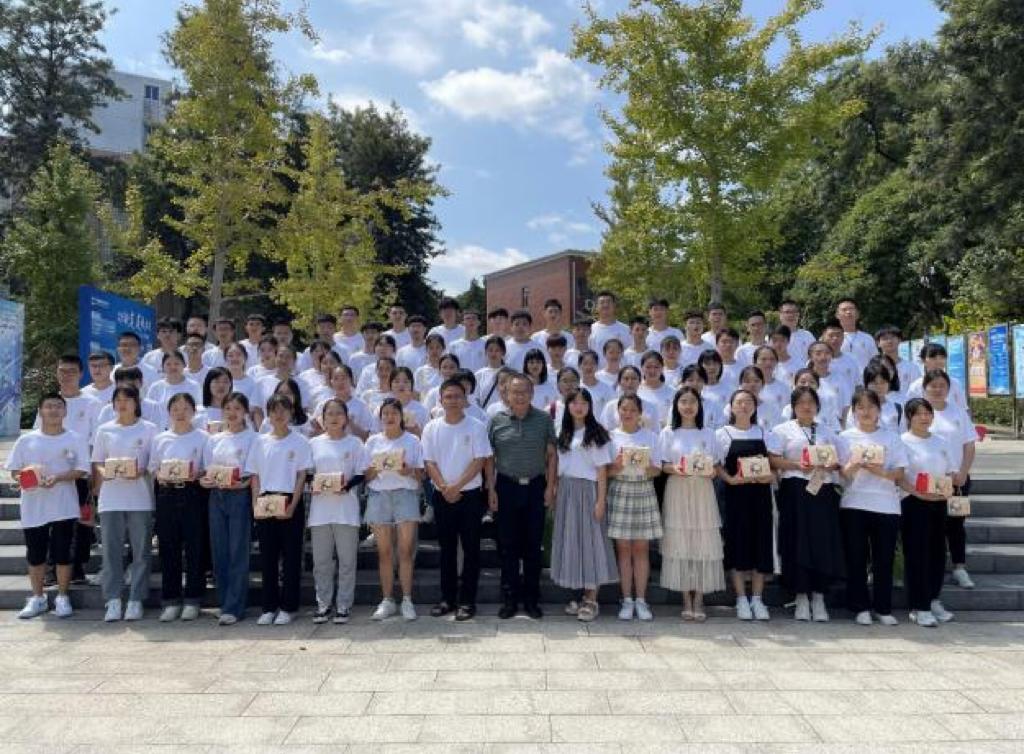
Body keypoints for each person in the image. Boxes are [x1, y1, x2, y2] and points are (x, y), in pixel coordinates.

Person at [7, 394, 90, 619]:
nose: (53, 410)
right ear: (40, 411)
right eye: (48, 406)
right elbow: (14, 471)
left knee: (63, 553)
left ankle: (62, 596)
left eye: (58, 406)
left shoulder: (75, 438)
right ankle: (38, 597)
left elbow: (82, 469)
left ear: (65, 412)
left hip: (64, 505)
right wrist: (29, 476)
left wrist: (59, 477)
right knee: (35, 554)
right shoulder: (26, 440)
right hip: (34, 506)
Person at [771, 386, 845, 622]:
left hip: (822, 490)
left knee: (821, 542)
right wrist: (796, 465)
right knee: (796, 541)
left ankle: (819, 596)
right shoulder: (782, 430)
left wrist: (830, 464)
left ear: (817, 406)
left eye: (811, 402)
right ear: (793, 406)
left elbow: (839, 461)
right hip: (794, 490)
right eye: (801, 402)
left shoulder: (828, 431)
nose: (806, 406)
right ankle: (801, 596)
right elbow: (773, 459)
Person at [422, 379, 492, 621]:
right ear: (440, 400)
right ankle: (447, 599)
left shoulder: (476, 426)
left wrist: (457, 486)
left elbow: (480, 460)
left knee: (471, 549)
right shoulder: (431, 428)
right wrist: (444, 487)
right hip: (442, 495)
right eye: (448, 396)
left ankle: (467, 601)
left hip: (470, 495)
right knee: (447, 550)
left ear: (465, 400)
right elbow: (429, 462)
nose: (452, 400)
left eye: (457, 396)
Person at [488, 374, 558, 619]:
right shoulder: (496, 420)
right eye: (514, 392)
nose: (519, 396)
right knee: (508, 546)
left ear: (532, 393)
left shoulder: (543, 419)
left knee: (532, 546)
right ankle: (509, 599)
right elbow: (489, 458)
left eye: (524, 391)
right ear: (506, 394)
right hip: (506, 487)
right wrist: (491, 489)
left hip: (535, 487)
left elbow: (552, 456)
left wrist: (550, 487)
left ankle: (531, 599)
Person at [838, 386, 908, 626]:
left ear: (879, 410)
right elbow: (841, 474)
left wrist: (880, 472)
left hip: (886, 505)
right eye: (860, 407)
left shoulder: (891, 438)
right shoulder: (845, 438)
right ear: (854, 411)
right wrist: (855, 465)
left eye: (870, 407)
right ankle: (860, 607)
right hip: (854, 503)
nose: (866, 412)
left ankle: (883, 607)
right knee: (856, 558)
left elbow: (900, 472)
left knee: (883, 559)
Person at [92, 386, 159, 622]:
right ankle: (113, 600)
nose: (122, 404)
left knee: (141, 552)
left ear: (136, 402)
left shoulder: (149, 429)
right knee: (111, 552)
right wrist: (106, 472)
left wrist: (141, 470)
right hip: (110, 499)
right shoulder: (105, 429)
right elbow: (98, 461)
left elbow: (154, 462)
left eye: (127, 400)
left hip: (140, 499)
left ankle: (135, 599)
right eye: (118, 400)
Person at [658, 387, 725, 620]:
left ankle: (699, 599)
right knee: (681, 542)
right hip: (678, 489)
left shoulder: (709, 433)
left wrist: (710, 471)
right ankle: (686, 598)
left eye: (692, 402)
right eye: (683, 401)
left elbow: (716, 466)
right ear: (676, 405)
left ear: (699, 406)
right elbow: (662, 464)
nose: (688, 406)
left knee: (702, 542)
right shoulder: (668, 432)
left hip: (702, 492)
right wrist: (676, 468)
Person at [551, 388, 617, 622]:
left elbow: (602, 470)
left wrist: (600, 501)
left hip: (588, 490)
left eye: (583, 402)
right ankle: (581, 596)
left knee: (592, 542)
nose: (579, 407)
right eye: (574, 402)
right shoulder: (562, 431)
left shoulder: (596, 432)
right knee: (573, 541)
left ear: (590, 406)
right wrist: (555, 489)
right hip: (567, 490)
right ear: (567, 406)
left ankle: (592, 598)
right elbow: (557, 464)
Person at [246, 394, 312, 626]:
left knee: (291, 557)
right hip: (265, 500)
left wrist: (293, 505)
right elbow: (255, 476)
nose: (279, 414)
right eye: (274, 410)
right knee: (268, 558)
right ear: (268, 414)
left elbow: (302, 475)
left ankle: (289, 607)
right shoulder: (260, 441)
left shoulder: (300, 441)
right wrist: (255, 504)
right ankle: (268, 606)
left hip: (289, 499)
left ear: (291, 412)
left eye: (284, 409)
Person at [35, 354, 101, 584]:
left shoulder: (92, 403)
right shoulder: (49, 402)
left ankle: (78, 568)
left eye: (72, 371)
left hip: (80, 473)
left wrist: (93, 472)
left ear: (81, 374)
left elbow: (96, 440)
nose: (66, 375)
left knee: (82, 522)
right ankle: (52, 568)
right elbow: (37, 437)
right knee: (52, 521)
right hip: (51, 475)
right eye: (62, 371)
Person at [717, 389, 780, 621]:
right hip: (735, 496)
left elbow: (774, 464)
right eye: (739, 402)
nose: (743, 406)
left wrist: (771, 476)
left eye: (748, 402)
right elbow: (717, 464)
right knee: (737, 545)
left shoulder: (764, 432)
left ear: (755, 407)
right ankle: (741, 599)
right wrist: (730, 479)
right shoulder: (722, 434)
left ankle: (757, 599)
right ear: (731, 406)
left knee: (760, 545)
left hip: (760, 497)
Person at [149, 393, 209, 622]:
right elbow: (153, 467)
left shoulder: (203, 438)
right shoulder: (160, 438)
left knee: (195, 548)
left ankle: (193, 599)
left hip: (193, 493)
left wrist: (197, 474)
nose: (180, 413)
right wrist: (161, 475)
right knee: (168, 548)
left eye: (185, 408)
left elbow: (207, 468)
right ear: (169, 412)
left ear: (193, 411)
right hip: (167, 495)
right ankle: (171, 600)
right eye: (175, 408)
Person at [364, 398, 424, 621]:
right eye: (385, 414)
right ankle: (387, 600)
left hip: (405, 495)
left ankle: (407, 599)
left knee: (405, 550)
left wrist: (408, 471)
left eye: (394, 413)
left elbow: (421, 475)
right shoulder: (372, 441)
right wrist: (374, 468)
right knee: (384, 552)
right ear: (380, 417)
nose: (389, 417)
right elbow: (365, 476)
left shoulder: (412, 440)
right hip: (379, 496)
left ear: (401, 416)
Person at [308, 399, 367, 624]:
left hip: (346, 510)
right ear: (322, 418)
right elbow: (307, 473)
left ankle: (343, 605)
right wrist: (313, 484)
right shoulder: (314, 444)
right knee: (321, 562)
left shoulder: (355, 443)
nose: (334, 417)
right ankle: (323, 604)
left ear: (346, 418)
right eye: (329, 414)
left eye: (338, 413)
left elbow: (361, 472)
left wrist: (347, 486)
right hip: (320, 512)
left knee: (347, 561)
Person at [899, 397, 957, 628]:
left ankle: (933, 599)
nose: (924, 418)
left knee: (937, 552)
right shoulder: (902, 442)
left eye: (928, 413)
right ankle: (919, 606)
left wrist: (946, 489)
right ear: (909, 417)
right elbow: (899, 477)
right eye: (918, 414)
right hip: (913, 503)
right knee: (917, 554)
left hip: (939, 502)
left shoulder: (941, 441)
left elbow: (951, 472)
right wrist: (918, 493)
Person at [201, 392, 257, 625]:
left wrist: (242, 484)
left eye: (237, 408)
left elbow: (254, 472)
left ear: (245, 412)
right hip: (217, 495)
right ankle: (225, 602)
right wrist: (205, 481)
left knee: (237, 550)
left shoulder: (253, 438)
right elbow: (207, 470)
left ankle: (235, 606)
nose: (232, 413)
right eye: (228, 408)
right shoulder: (214, 439)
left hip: (239, 495)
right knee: (219, 550)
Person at [607, 395, 663, 621]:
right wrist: (617, 465)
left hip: (643, 490)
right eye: (624, 409)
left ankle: (641, 599)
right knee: (623, 549)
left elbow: (658, 470)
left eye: (632, 410)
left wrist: (646, 465)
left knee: (641, 548)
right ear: (618, 411)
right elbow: (605, 472)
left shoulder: (651, 436)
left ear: (640, 413)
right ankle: (626, 599)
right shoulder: (610, 437)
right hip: (620, 490)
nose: (628, 413)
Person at [922, 369, 978, 590]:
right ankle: (930, 568)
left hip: (956, 480)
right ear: (925, 388)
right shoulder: (920, 412)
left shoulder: (958, 413)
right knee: (931, 526)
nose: (937, 390)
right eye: (933, 385)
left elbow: (969, 444)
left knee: (956, 524)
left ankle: (959, 567)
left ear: (948, 388)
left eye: (942, 386)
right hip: (930, 480)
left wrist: (963, 473)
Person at [589, 291, 632, 367]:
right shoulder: (590, 330)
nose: (605, 305)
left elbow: (629, 354)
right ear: (596, 307)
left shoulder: (626, 329)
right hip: (596, 373)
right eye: (602, 302)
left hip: (620, 373)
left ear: (614, 306)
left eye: (608, 302)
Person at [836, 298, 879, 373]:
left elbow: (875, 362)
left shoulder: (867, 338)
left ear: (857, 314)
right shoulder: (831, 338)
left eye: (851, 309)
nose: (848, 312)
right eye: (844, 310)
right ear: (837, 315)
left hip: (863, 379)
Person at [876, 325, 920, 389]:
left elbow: (918, 391)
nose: (889, 341)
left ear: (899, 340)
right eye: (885, 338)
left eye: (893, 337)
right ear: (878, 343)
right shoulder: (874, 368)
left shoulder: (912, 368)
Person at [778, 300, 816, 365]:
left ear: (798, 315)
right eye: (787, 312)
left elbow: (815, 357)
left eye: (794, 312)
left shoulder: (807, 335)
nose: (791, 315)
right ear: (780, 315)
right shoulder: (772, 338)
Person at [475, 335, 507, 409]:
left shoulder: (510, 373)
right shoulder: (479, 374)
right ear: (485, 352)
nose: (493, 354)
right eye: (490, 350)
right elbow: (476, 399)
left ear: (503, 352)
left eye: (497, 350)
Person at [450, 310, 486, 374]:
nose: (471, 321)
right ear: (463, 323)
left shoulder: (486, 344)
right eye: (467, 318)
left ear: (479, 322)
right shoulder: (454, 346)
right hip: (461, 379)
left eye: (474, 318)